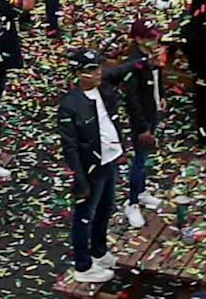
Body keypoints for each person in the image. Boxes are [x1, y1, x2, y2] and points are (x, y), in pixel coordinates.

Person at [58, 49, 128, 285]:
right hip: (91, 167)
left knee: (106, 208)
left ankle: (99, 251)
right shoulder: (70, 105)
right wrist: (79, 177)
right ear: (78, 74)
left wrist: (146, 61)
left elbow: (120, 71)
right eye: (90, 70)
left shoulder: (104, 89)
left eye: (98, 67)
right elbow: (70, 146)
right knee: (84, 216)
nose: (97, 72)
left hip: (110, 159)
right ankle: (83, 265)